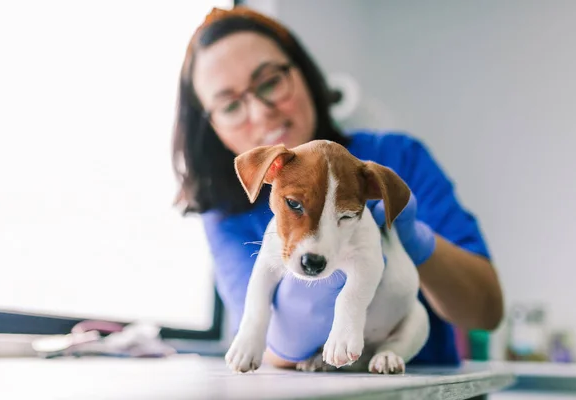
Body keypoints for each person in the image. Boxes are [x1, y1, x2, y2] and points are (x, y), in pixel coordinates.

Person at [171, 5, 504, 368]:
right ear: (211, 126)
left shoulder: (395, 157)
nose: (260, 111)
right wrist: (287, 324)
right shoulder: (225, 213)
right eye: (230, 105)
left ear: (303, 74)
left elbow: (486, 313)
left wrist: (417, 242)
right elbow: (267, 352)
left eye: (269, 82)